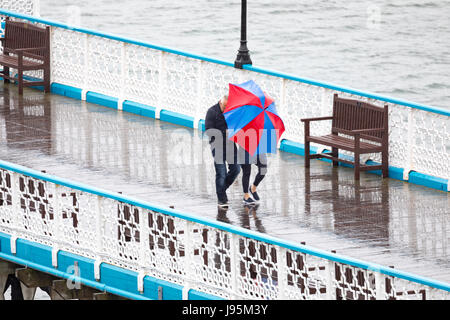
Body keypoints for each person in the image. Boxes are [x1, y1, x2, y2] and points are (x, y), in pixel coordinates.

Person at [205, 95, 240, 207]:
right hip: (217, 146)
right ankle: (222, 199)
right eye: (225, 107)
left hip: (230, 146)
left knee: (236, 169)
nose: (226, 109)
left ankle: (221, 190)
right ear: (221, 102)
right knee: (221, 173)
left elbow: (236, 127)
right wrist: (225, 132)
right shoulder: (211, 112)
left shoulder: (232, 112)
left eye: (228, 107)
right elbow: (209, 131)